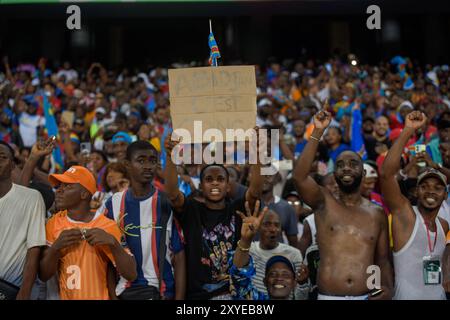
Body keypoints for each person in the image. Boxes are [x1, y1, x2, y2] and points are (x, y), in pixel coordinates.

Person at [293, 110, 393, 300]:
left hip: (366, 296)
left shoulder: (377, 213)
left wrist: (384, 287)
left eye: (353, 163)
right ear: (335, 173)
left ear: (363, 174)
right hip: (329, 296)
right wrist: (318, 131)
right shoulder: (323, 203)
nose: (346, 167)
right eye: (340, 164)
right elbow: (299, 177)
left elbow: (381, 260)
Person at [164, 132, 264, 300]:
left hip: (233, 295)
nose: (215, 182)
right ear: (201, 186)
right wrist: (170, 156)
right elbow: (173, 194)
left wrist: (257, 152)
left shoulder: (237, 209)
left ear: (228, 186)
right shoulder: (192, 209)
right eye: (209, 179)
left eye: (220, 179)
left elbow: (255, 191)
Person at [101, 140, 186, 300]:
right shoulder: (113, 203)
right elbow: (108, 256)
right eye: (141, 161)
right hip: (124, 293)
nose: (148, 166)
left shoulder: (165, 202)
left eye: (152, 161)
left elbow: (179, 255)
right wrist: (112, 295)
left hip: (162, 292)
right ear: (127, 164)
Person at [39, 165, 137, 300]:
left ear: (84, 194)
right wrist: (56, 247)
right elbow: (44, 275)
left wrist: (113, 243)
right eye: (60, 185)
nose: (59, 190)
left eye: (67, 186)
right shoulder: (54, 223)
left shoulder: (106, 225)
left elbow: (131, 274)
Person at [381, 111, 449, 300]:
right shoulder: (406, 216)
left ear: (445, 195)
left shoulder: (444, 226)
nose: (431, 191)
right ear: (416, 192)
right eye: (425, 186)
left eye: (438, 188)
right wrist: (408, 130)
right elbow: (386, 174)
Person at [229, 202, 308, 300]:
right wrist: (245, 240)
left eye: (276, 225)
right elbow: (238, 275)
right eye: (267, 224)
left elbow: (300, 291)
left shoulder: (293, 254)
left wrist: (303, 284)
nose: (272, 229)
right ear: (264, 281)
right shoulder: (247, 250)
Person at [0, 141, 46, 300]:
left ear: (12, 165)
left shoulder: (31, 198)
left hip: (10, 289)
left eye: (2, 157)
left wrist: (24, 294)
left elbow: (34, 250)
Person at [259, 172, 299, 248]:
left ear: (275, 178)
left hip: (277, 257)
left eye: (268, 176)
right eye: (260, 176)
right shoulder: (246, 204)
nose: (264, 179)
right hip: (252, 257)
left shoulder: (287, 207)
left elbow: (293, 242)